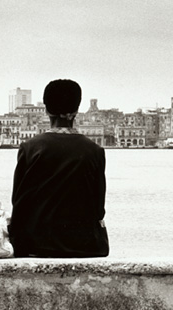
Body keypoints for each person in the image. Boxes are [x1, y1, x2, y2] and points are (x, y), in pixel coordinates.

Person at [9, 79, 109, 258]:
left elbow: (19, 202)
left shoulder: (30, 148)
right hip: (85, 246)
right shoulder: (94, 151)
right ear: (76, 111)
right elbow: (98, 207)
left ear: (46, 110)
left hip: (37, 245)